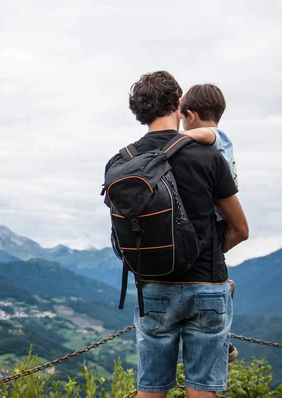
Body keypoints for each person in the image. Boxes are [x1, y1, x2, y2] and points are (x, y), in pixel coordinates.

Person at [104, 71, 249, 397]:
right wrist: (208, 250)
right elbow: (241, 229)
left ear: (139, 112)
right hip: (207, 284)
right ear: (179, 101)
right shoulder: (207, 155)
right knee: (201, 391)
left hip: (151, 287)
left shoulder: (122, 161)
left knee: (150, 390)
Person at [180, 83, 239, 362]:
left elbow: (202, 133)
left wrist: (173, 139)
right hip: (218, 219)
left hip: (216, 221)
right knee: (220, 278)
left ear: (190, 114)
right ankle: (226, 340)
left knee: (215, 276)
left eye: (182, 118)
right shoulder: (220, 142)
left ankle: (226, 342)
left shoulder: (215, 136)